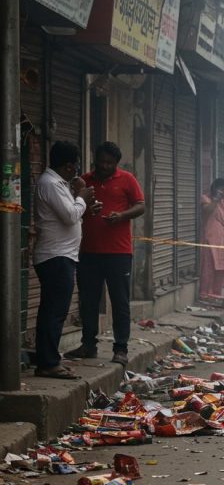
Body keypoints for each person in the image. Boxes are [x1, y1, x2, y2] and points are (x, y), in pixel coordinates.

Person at [63, 142, 146, 365]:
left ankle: (121, 348)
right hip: (88, 251)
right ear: (95, 160)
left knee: (120, 301)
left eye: (109, 163)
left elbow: (141, 205)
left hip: (119, 252)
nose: (105, 166)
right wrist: (87, 210)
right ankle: (88, 344)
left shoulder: (127, 179)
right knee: (88, 301)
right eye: (101, 162)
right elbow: (72, 208)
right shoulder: (84, 181)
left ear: (116, 163)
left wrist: (122, 215)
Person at [33, 141, 96, 379]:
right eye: (76, 166)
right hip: (56, 256)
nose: (77, 171)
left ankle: (48, 360)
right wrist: (82, 197)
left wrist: (84, 205)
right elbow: (70, 216)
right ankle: (48, 363)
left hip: (62, 255)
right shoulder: (50, 184)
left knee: (52, 310)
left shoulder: (58, 184)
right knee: (54, 312)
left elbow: (71, 214)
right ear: (69, 166)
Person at [199, 178, 224, 298]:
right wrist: (216, 200)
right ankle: (205, 294)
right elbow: (207, 210)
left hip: (223, 241)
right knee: (208, 268)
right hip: (210, 240)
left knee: (222, 269)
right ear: (214, 189)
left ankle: (216, 294)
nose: (223, 192)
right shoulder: (206, 198)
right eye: (221, 190)